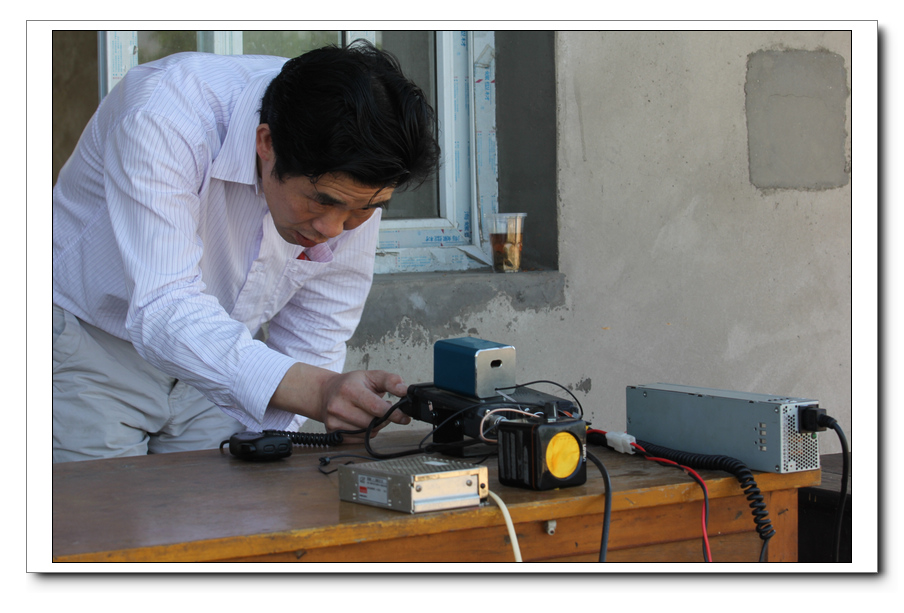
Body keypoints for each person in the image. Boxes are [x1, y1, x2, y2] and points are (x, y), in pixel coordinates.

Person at [52, 41, 440, 462]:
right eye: (321, 202)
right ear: (266, 143)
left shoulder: (362, 168)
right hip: (95, 351)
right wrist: (317, 391)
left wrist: (278, 433)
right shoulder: (162, 116)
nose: (333, 230)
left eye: (364, 209)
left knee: (219, 503)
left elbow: (320, 322)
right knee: (106, 502)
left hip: (226, 365)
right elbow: (163, 305)